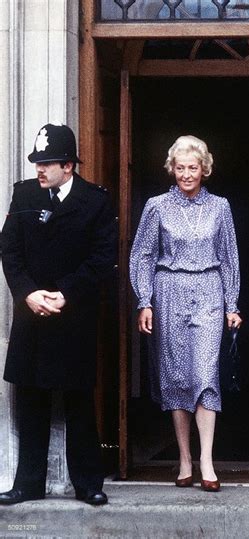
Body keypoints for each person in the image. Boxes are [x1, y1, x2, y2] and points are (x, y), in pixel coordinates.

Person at [0, 123, 117, 506]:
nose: (39, 169)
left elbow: (102, 259)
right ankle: (27, 484)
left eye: (47, 163)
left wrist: (65, 294)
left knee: (79, 401)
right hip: (33, 312)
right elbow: (10, 251)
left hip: (74, 315)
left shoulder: (95, 201)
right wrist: (28, 293)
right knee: (31, 399)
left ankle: (87, 483)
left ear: (68, 166)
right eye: (37, 162)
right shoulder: (24, 195)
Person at [129, 135, 242, 492]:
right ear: (172, 169)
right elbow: (142, 255)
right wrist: (144, 300)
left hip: (209, 289)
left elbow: (229, 257)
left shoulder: (220, 207)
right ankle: (184, 459)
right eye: (180, 168)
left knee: (206, 374)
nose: (186, 174)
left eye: (193, 168)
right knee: (176, 377)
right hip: (169, 292)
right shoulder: (156, 206)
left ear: (204, 169)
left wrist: (232, 305)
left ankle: (207, 459)